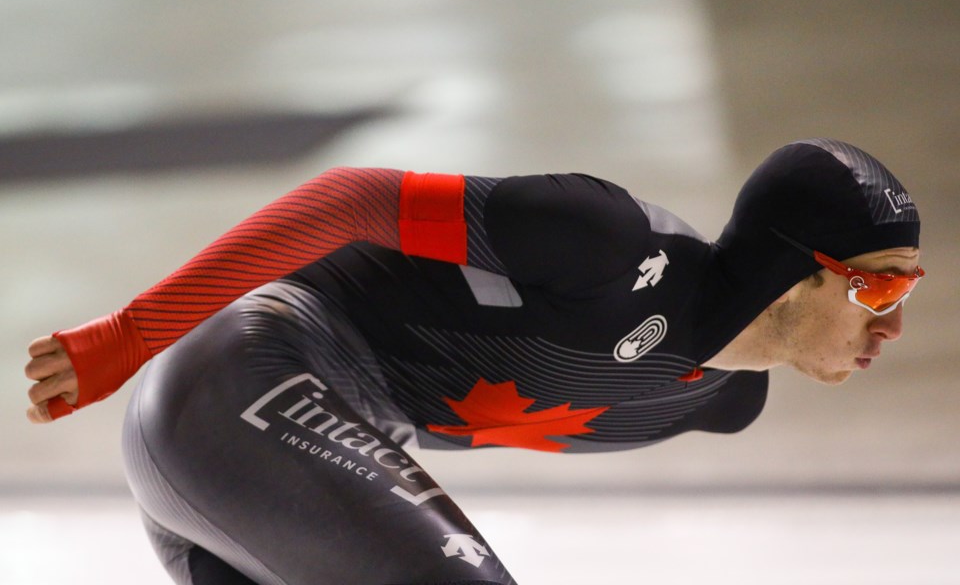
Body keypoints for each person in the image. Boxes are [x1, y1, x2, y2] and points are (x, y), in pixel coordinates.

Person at [24, 138, 923, 585]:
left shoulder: (722, 402)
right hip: (238, 384)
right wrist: (133, 332)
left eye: (907, 296)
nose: (891, 327)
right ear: (792, 271)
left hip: (257, 489)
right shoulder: (604, 243)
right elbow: (346, 200)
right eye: (878, 291)